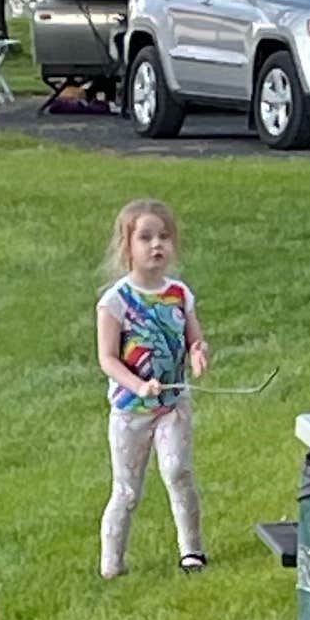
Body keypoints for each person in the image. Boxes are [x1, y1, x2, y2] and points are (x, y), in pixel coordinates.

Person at [96, 195, 207, 577]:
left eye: (164, 236)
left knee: (178, 472)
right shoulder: (116, 302)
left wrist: (197, 353)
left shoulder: (179, 294)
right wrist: (138, 385)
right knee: (127, 490)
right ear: (126, 246)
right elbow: (107, 358)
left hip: (173, 406)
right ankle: (112, 563)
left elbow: (194, 337)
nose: (156, 245)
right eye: (145, 237)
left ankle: (191, 550)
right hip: (131, 412)